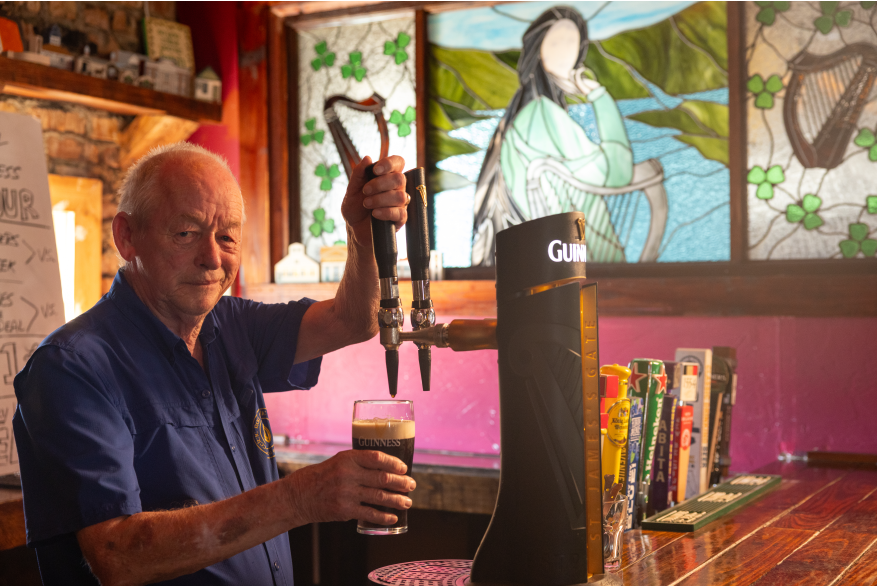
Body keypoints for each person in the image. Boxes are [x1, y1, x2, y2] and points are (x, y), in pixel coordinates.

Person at [13, 143, 414, 585]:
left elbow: (352, 320)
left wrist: (361, 231)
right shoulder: (72, 368)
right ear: (127, 237)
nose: (212, 258)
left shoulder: (230, 325)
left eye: (227, 237)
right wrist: (299, 499)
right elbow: (119, 555)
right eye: (186, 234)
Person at [471, 6, 634, 266]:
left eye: (573, 43)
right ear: (538, 47)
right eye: (556, 42)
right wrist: (600, 97)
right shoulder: (545, 115)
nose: (565, 52)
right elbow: (617, 172)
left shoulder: (524, 113)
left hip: (544, 252)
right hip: (564, 257)